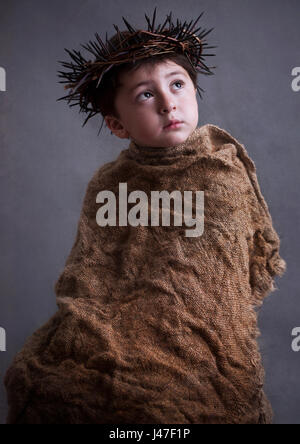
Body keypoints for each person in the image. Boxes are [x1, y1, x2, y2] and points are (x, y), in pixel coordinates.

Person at [4, 8, 286, 424]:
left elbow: (234, 270)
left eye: (177, 84)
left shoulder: (221, 172)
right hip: (120, 321)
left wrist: (189, 312)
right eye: (146, 94)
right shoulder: (108, 183)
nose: (168, 102)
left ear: (194, 91)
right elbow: (92, 270)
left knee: (181, 398)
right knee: (59, 382)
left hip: (201, 328)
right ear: (117, 125)